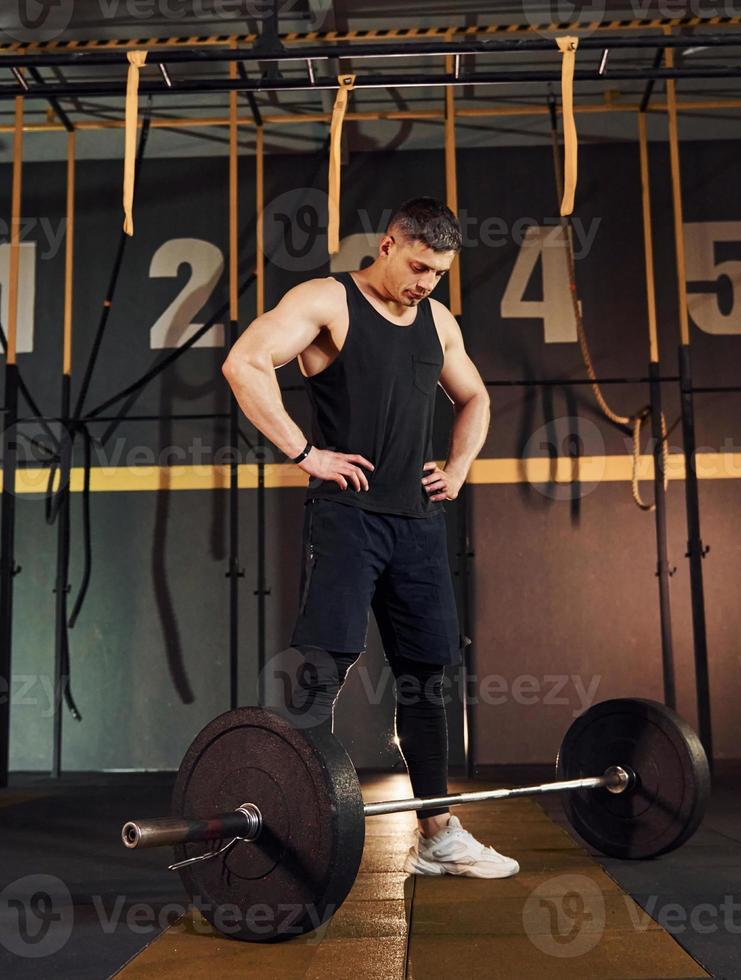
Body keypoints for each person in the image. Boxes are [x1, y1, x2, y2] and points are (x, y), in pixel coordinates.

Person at [222, 197, 517, 878]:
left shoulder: (436, 321)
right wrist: (304, 453)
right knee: (323, 670)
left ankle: (437, 837)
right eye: (417, 266)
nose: (425, 283)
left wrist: (460, 466)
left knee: (425, 678)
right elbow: (245, 363)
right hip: (348, 515)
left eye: (438, 274)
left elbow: (475, 397)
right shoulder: (326, 300)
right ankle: (290, 826)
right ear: (386, 245)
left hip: (415, 522)